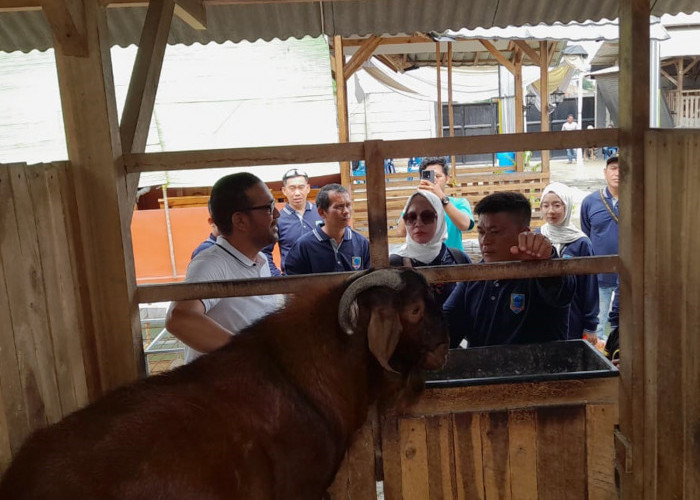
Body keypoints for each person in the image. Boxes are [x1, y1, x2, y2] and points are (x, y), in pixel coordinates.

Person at [166, 173, 283, 363]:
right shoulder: (212, 263)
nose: (277, 214)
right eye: (268, 208)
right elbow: (179, 318)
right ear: (240, 221)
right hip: (221, 389)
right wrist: (249, 354)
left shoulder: (260, 260)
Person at [444, 191, 575, 348]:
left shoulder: (542, 270)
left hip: (538, 371)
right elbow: (446, 328)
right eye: (481, 232)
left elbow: (562, 290)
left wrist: (547, 262)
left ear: (524, 233)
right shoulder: (474, 277)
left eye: (495, 232)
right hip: (483, 370)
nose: (485, 241)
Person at [539, 182, 599, 342]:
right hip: (541, 319)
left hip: (573, 319)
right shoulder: (536, 238)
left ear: (567, 206)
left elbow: (589, 286)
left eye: (557, 205)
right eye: (545, 205)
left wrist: (590, 325)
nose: (550, 211)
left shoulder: (581, 243)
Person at [390, 190, 471, 306]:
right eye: (411, 217)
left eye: (427, 216)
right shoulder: (395, 264)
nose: (418, 223)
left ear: (440, 219)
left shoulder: (458, 259)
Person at [285, 183, 370, 275]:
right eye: (339, 207)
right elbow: (293, 283)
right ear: (321, 212)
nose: (346, 211)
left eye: (348, 205)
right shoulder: (303, 246)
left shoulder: (361, 243)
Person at [396, 157, 474, 252]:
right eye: (429, 176)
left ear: (447, 178)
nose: (434, 180)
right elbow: (401, 232)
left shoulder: (459, 202)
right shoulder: (414, 205)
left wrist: (442, 198)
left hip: (452, 260)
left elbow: (464, 225)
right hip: (422, 259)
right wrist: (414, 199)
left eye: (438, 176)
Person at [580, 155, 620, 340]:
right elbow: (586, 232)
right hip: (601, 274)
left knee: (623, 325)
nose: (617, 173)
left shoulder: (639, 199)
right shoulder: (590, 201)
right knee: (598, 324)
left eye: (622, 168)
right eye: (613, 168)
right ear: (605, 172)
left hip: (630, 274)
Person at [262, 168, 322, 276]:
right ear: (284, 191)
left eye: (301, 187)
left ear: (308, 188)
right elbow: (264, 252)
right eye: (292, 188)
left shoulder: (321, 213)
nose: (297, 193)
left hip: (322, 278)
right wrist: (277, 277)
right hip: (292, 281)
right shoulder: (278, 219)